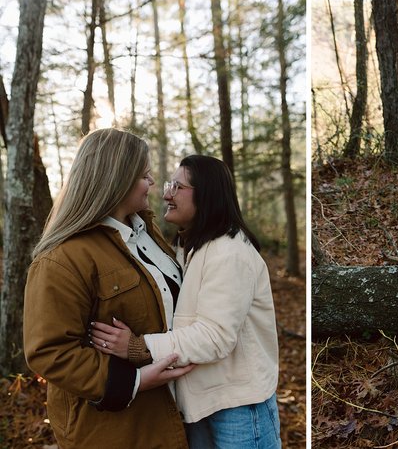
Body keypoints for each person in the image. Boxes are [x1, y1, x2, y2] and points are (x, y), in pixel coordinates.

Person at [90, 155, 281, 448]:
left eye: (177, 186)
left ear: (206, 194)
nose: (166, 193)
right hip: (203, 402)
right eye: (169, 184)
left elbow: (215, 336)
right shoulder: (191, 246)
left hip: (238, 407)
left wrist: (140, 347)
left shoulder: (229, 252)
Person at [24, 128, 194, 448]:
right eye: (144, 175)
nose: (153, 183)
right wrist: (136, 381)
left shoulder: (147, 231)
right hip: (113, 431)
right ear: (117, 178)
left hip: (175, 412)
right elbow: (50, 352)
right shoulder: (63, 258)